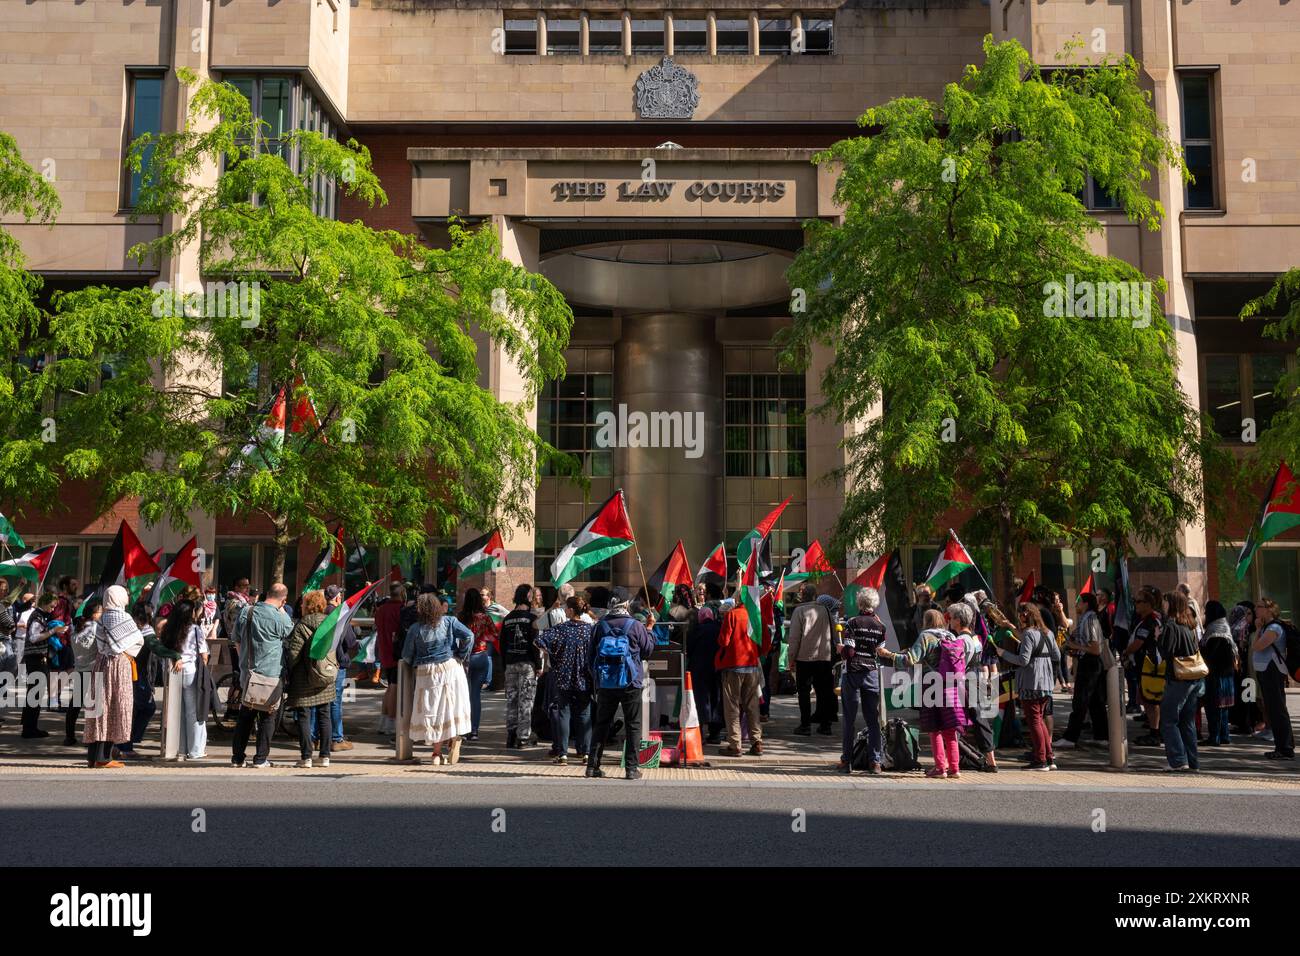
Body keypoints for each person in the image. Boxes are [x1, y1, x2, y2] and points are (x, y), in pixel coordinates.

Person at [880, 608, 968, 778]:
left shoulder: (926, 636)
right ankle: (955, 768)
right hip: (952, 685)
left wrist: (888, 654)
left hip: (932, 685)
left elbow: (909, 660)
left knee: (934, 729)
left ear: (925, 622)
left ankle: (940, 768)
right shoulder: (951, 636)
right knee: (950, 729)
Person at [585, 588, 656, 779]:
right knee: (633, 724)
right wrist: (649, 629)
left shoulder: (599, 626)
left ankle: (592, 766)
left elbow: (590, 656)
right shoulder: (635, 625)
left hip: (606, 683)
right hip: (631, 683)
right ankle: (631, 769)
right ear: (626, 604)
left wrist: (599, 678)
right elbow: (647, 651)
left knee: (601, 724)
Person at [401, 591, 474, 765]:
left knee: (432, 711)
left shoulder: (415, 629)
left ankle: (436, 753)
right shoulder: (450, 621)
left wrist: (412, 663)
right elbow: (469, 636)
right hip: (450, 667)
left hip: (426, 673)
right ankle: (453, 738)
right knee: (451, 707)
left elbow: (407, 656)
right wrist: (461, 655)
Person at [231, 583, 294, 768]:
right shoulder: (281, 618)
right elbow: (290, 635)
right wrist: (283, 613)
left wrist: (245, 662)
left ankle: (237, 758)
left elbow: (236, 640)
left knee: (245, 716)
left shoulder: (246, 612)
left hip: (248, 674)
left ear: (267, 594)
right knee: (268, 716)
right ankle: (260, 759)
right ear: (284, 600)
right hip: (271, 675)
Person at [84, 586, 144, 769]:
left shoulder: (103, 617)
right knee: (115, 707)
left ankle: (93, 756)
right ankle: (104, 758)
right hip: (117, 664)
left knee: (99, 708)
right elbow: (137, 639)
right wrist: (128, 653)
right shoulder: (122, 617)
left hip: (101, 663)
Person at [995, 602, 1059, 770]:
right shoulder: (1048, 633)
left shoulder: (1030, 634)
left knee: (1034, 721)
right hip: (1046, 682)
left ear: (1027, 615)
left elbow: (1023, 660)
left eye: (1021, 614)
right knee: (1040, 720)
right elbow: (1056, 655)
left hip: (1031, 682)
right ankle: (1049, 757)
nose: (1020, 617)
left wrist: (1004, 654)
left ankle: (1040, 760)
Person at [714, 586, 771, 758]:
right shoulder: (756, 617)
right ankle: (757, 742)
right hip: (751, 665)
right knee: (752, 706)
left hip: (733, 666)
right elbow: (766, 643)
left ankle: (735, 745)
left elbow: (723, 641)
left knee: (732, 706)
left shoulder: (732, 614)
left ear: (738, 599)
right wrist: (755, 653)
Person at [835, 586, 886, 774]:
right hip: (871, 673)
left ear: (859, 603)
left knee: (849, 719)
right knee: (873, 720)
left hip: (853, 673)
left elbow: (849, 652)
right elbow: (880, 650)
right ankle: (875, 762)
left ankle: (846, 760)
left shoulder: (852, 623)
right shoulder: (881, 626)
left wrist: (840, 649)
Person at [538, 594, 594, 764]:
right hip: (584, 676)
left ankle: (562, 753)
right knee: (584, 713)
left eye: (565, 609)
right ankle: (585, 752)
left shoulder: (560, 629)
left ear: (570, 610)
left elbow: (539, 640)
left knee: (563, 713)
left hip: (563, 676)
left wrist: (553, 653)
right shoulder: (589, 629)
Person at [280, 589, 333, 767]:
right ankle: (325, 756)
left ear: (308, 606)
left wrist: (290, 671)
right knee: (324, 715)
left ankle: (306, 757)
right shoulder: (329, 623)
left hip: (304, 677)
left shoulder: (302, 625)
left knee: (304, 715)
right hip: (324, 675)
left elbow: (294, 653)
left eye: (303, 603)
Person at [158, 599, 212, 761]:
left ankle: (179, 748)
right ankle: (195, 750)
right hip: (190, 672)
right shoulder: (195, 630)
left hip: (172, 673)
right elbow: (203, 655)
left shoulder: (168, 628)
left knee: (177, 713)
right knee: (193, 712)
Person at [1056, 592, 1108, 749]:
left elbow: (1095, 648)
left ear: (1086, 603)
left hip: (1090, 664)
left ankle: (1071, 737)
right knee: (1095, 702)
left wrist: (1075, 647)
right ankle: (1101, 736)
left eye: (1078, 601)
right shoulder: (1087, 618)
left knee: (1081, 700)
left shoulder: (1090, 619)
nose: (1076, 604)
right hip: (1091, 663)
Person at [951, 599, 999, 771]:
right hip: (975, 677)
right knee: (979, 718)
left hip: (966, 679)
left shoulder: (961, 640)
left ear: (958, 619)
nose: (949, 619)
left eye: (952, 617)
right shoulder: (975, 637)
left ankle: (953, 760)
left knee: (960, 717)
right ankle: (989, 759)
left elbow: (959, 663)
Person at [1158, 590, 1203, 771]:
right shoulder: (1189, 624)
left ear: (1172, 604)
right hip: (1194, 676)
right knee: (1187, 721)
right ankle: (1192, 762)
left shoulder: (1170, 625)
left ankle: (1178, 761)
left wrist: (1158, 637)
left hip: (1178, 677)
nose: (1163, 605)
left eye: (1165, 602)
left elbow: (1166, 652)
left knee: (1169, 719)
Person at [786, 582, 836, 736]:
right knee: (824, 691)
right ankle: (825, 725)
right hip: (824, 657)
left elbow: (794, 638)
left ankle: (805, 725)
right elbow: (833, 632)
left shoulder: (799, 611)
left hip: (805, 658)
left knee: (804, 692)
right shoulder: (826, 610)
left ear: (803, 596)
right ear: (815, 595)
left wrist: (791, 659)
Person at [499, 584, 543, 749]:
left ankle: (511, 735)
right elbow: (535, 645)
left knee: (511, 700)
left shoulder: (508, 618)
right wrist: (538, 666)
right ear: (528, 597)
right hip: (527, 664)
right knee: (526, 701)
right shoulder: (531, 620)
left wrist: (504, 664)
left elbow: (502, 644)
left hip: (510, 663)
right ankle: (523, 737)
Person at [1253, 598, 1294, 760]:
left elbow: (1257, 646)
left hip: (1273, 671)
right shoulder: (1266, 627)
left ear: (1269, 610)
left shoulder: (1274, 627)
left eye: (1259, 607)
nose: (1256, 609)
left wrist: (1257, 629)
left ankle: (1285, 748)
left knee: (1277, 710)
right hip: (1265, 671)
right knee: (1273, 710)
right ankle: (1282, 746)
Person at [1122, 585, 1164, 746]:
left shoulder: (1151, 620)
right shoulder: (1152, 618)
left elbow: (1138, 643)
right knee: (1150, 700)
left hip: (1149, 665)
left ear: (1148, 603)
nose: (1136, 605)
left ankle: (1155, 733)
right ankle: (1155, 731)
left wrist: (1126, 651)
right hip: (1149, 664)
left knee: (1151, 699)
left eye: (1138, 601)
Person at [19, 592, 64, 739]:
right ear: (45, 602)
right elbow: (34, 637)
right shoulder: (37, 617)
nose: (52, 609)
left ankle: (29, 725)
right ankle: (29, 728)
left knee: (33, 693)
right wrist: (53, 631)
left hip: (36, 658)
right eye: (51, 606)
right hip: (36, 659)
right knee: (35, 694)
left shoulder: (39, 616)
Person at [456, 587, 497, 741]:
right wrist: (483, 638)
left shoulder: (460, 617)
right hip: (481, 656)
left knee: (464, 695)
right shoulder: (485, 618)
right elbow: (494, 635)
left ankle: (464, 728)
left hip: (465, 659)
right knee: (475, 695)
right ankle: (474, 731)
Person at [686, 582, 724, 744]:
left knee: (699, 699)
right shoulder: (719, 628)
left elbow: (690, 647)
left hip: (698, 668)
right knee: (715, 697)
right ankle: (715, 733)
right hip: (716, 667)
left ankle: (700, 732)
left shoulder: (696, 630)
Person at [66, 597, 102, 747]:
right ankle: (90, 737)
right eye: (100, 611)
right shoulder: (96, 628)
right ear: (94, 614)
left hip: (79, 669)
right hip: (93, 670)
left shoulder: (76, 628)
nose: (102, 613)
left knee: (74, 705)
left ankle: (69, 736)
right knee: (92, 706)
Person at [1200, 600, 1236, 746]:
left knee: (1214, 707)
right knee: (1224, 708)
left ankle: (1214, 737)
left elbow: (1209, 656)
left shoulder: (1214, 633)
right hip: (1227, 675)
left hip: (1216, 676)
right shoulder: (1224, 628)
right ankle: (1224, 735)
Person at [373, 582, 405, 737]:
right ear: (401, 593)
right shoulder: (400, 610)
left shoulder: (381, 610)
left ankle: (384, 721)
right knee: (395, 686)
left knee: (390, 687)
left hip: (384, 651)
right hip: (395, 652)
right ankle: (391, 723)